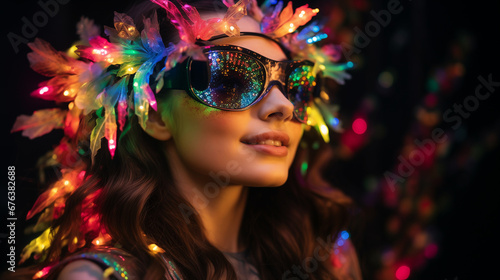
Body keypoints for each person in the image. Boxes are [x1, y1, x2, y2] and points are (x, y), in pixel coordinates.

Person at [8, 0, 361, 279]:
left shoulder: (327, 259)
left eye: (295, 86)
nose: (282, 106)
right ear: (156, 112)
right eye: (231, 79)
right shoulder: (98, 278)